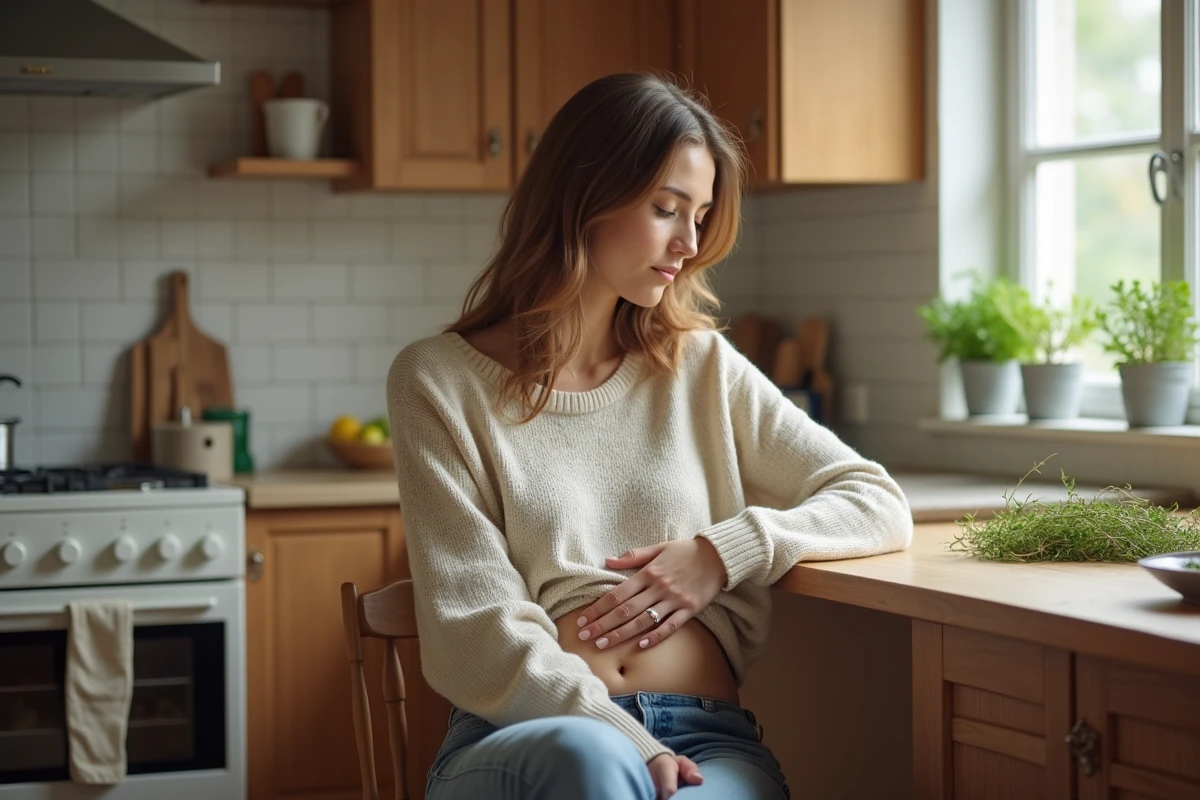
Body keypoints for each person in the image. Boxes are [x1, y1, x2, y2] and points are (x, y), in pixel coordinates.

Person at [386, 72, 913, 800]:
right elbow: (473, 626)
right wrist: (621, 737)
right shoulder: (438, 380)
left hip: (707, 741)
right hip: (530, 739)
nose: (689, 243)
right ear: (583, 196)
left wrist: (721, 553)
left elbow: (875, 499)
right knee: (592, 766)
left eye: (700, 216)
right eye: (666, 209)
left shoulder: (699, 366)